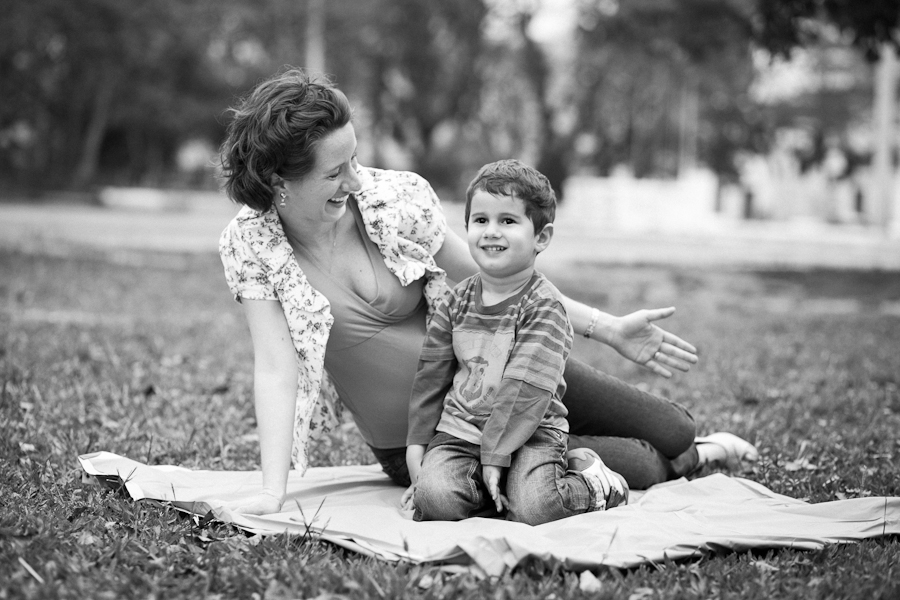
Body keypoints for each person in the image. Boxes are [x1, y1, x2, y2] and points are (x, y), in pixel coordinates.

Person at [216, 68, 757, 515]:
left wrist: (609, 328)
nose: (357, 180)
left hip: (512, 362)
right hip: (436, 438)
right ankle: (695, 461)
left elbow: (501, 281)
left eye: (356, 159)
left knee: (671, 426)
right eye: (337, 172)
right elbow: (275, 368)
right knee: (641, 463)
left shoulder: (392, 199)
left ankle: (689, 444)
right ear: (281, 182)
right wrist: (272, 490)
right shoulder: (251, 245)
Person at [404, 160, 628, 525]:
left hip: (531, 429)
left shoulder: (544, 305)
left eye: (507, 221)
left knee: (536, 509)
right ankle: (492, 491)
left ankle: (593, 485)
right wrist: (417, 444)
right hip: (462, 430)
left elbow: (524, 388)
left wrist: (495, 456)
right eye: (481, 221)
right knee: (434, 499)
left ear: (541, 237)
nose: (491, 232)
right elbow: (431, 375)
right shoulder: (455, 300)